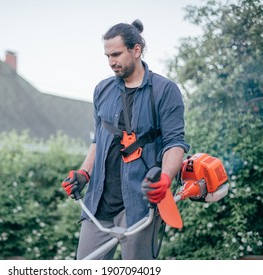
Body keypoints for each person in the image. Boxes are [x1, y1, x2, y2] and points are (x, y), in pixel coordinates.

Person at [61, 19, 190, 260]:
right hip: (99, 203)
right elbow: (98, 141)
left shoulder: (164, 90)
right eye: (107, 56)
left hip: (140, 205)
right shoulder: (102, 90)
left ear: (136, 50)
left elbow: (175, 143)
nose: (111, 62)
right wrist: (83, 174)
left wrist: (165, 179)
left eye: (117, 54)